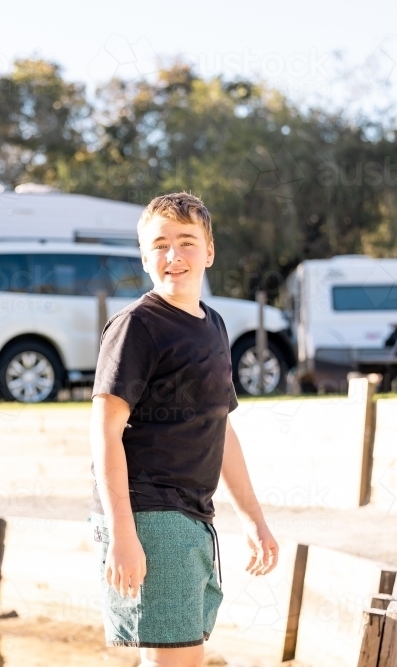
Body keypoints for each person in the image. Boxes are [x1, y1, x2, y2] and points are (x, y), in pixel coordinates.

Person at [89, 192, 279, 667]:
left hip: (196, 516)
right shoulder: (136, 326)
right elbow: (104, 433)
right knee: (176, 661)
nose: (173, 256)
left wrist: (253, 519)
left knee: (179, 658)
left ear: (210, 251)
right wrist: (123, 535)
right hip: (149, 513)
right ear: (144, 255)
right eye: (160, 244)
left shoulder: (213, 326)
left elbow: (221, 429)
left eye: (187, 242)